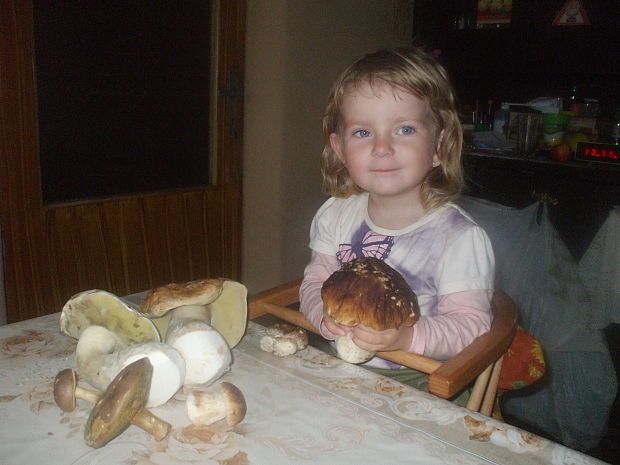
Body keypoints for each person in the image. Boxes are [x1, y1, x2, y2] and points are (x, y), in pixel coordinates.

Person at [299, 48, 495, 385]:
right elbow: (316, 282)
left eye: (404, 129)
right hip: (339, 366)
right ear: (340, 149)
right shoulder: (336, 213)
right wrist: (322, 316)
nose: (382, 147)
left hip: (419, 376)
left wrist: (407, 337)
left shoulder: (460, 238)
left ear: (439, 147)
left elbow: (472, 327)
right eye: (362, 132)